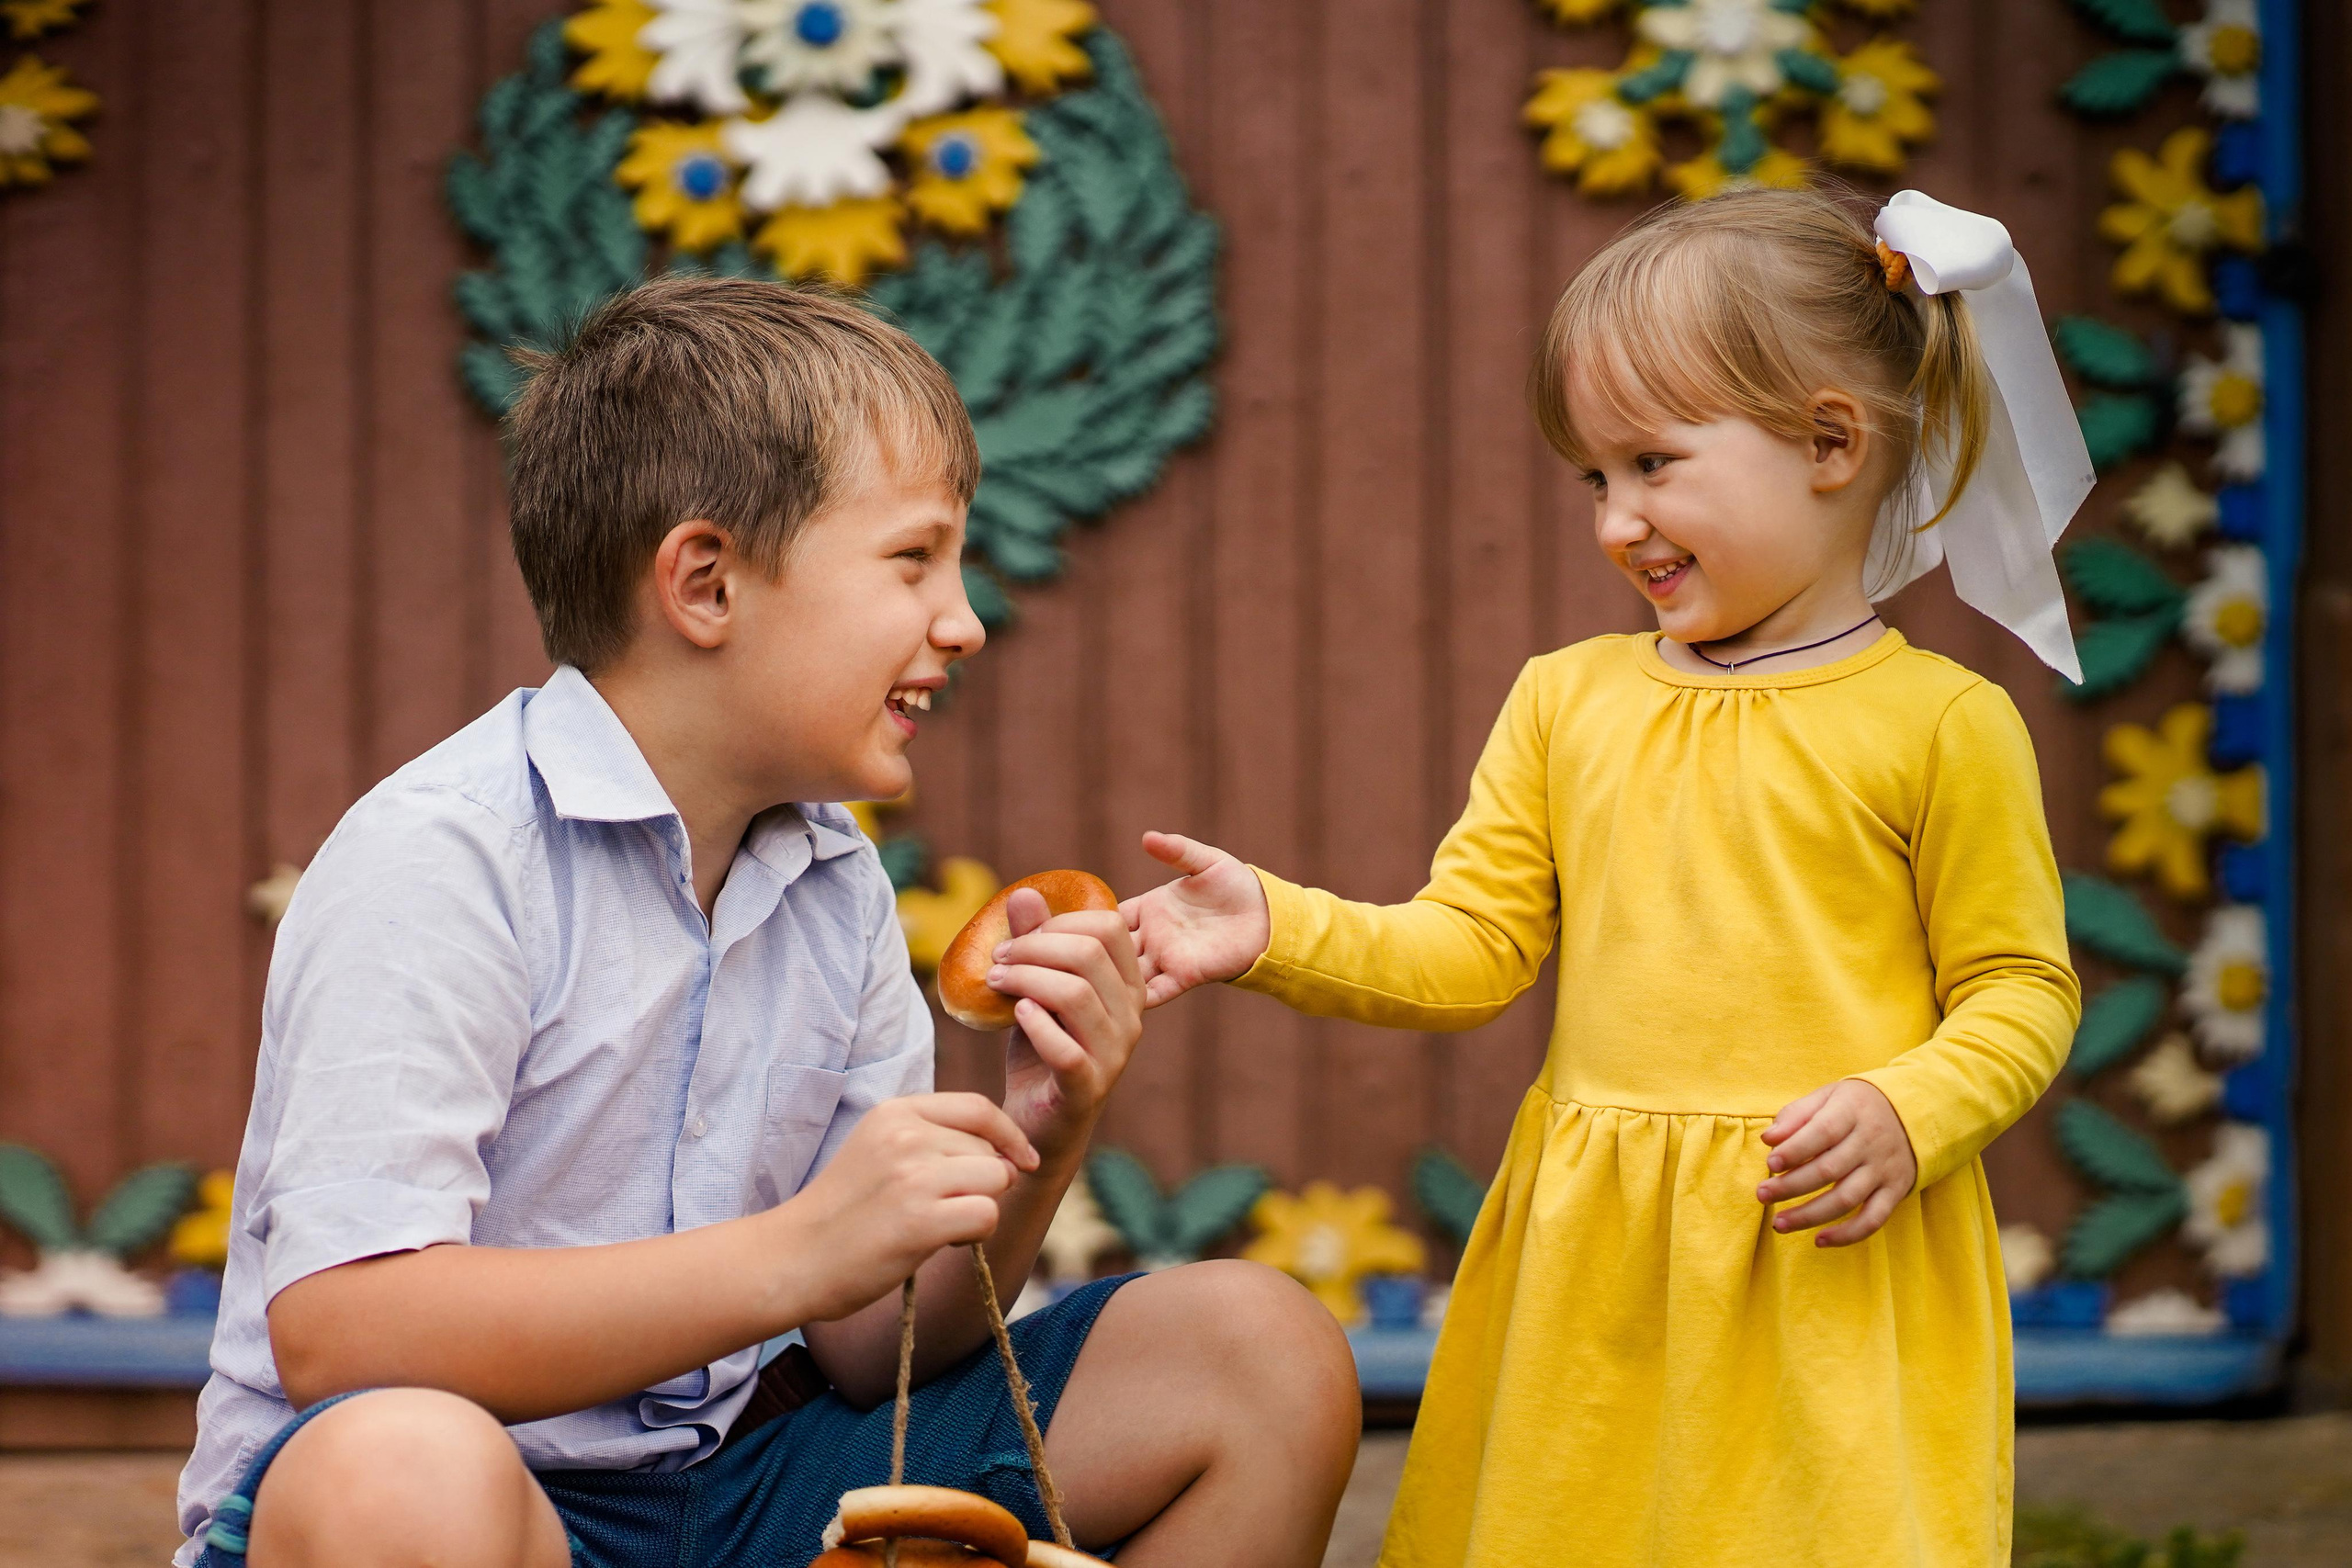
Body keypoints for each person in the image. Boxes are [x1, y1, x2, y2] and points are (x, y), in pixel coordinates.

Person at [175, 276, 1360, 1568]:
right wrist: (798, 1251)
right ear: (707, 585)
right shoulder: (446, 854)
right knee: (401, 1468)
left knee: (1260, 1352)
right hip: (446, 1506)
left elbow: (872, 1345)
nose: (962, 623)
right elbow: (348, 1334)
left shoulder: (831, 877)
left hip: (732, 1496)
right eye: (914, 560)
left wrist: (1039, 1130)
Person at [1121, 187, 2092, 1567]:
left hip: (1820, 1255)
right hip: (1597, 1263)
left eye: (1655, 463)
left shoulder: (1942, 725)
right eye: (1595, 477)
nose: (1616, 519)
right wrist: (1274, 923)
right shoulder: (1569, 701)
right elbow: (1468, 948)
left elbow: (2021, 988)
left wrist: (1909, 1107)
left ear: (1830, 441)